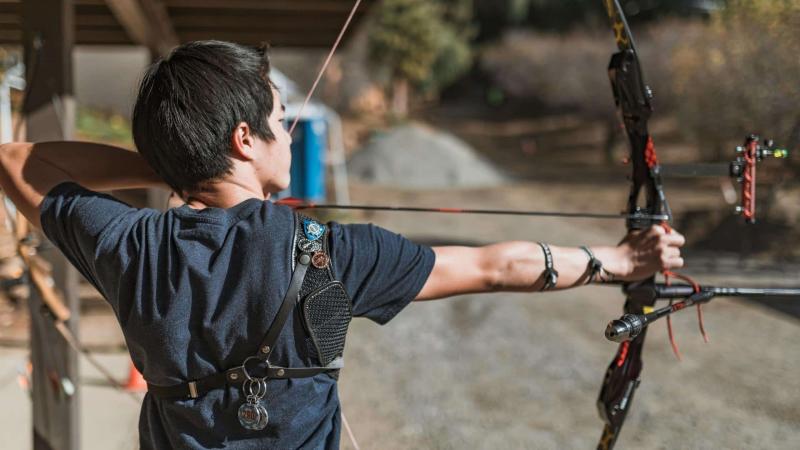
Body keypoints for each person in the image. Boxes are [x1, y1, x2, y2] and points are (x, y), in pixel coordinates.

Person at [0, 41, 684, 449]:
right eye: (277, 120)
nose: (288, 134)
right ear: (244, 139)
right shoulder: (327, 253)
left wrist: (182, 163)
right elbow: (494, 265)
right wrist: (617, 262)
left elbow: (17, 159)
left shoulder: (132, 247)